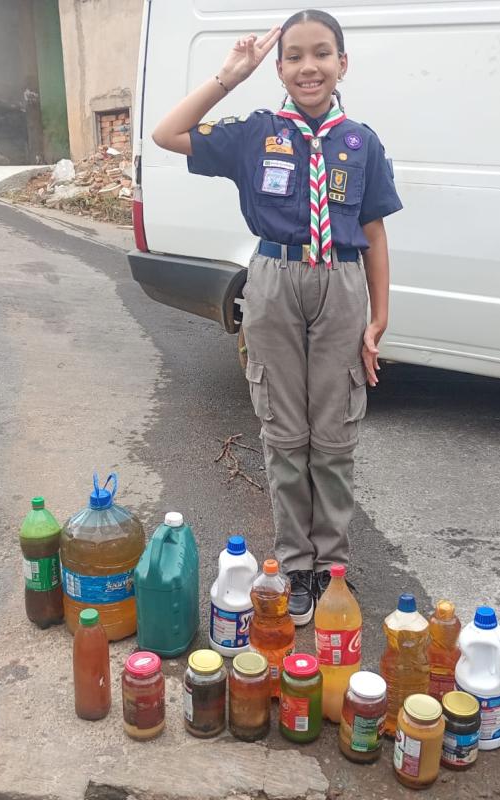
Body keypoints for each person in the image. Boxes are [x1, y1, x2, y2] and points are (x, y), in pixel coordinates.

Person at [152, 9, 402, 621]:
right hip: (273, 279)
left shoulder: (360, 142)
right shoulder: (255, 133)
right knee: (285, 435)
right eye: (294, 56)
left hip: (341, 282)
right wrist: (230, 76)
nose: (308, 67)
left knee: (334, 434)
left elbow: (374, 232)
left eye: (321, 53)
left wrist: (379, 316)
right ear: (279, 67)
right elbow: (166, 133)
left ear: (342, 63)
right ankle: (295, 566)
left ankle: (331, 566)